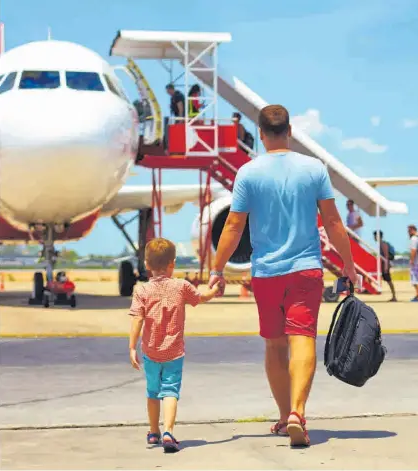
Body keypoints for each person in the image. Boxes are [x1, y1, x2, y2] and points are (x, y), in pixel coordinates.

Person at [207, 104, 357, 447]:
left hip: (266, 273)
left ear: (260, 134)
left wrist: (217, 268)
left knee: (275, 345)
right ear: (290, 131)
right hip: (305, 269)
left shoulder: (248, 172)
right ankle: (298, 413)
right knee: (303, 338)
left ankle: (283, 413)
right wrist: (347, 264)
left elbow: (233, 224)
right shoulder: (313, 169)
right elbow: (333, 223)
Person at [128, 238, 220, 453]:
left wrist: (132, 347)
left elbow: (137, 319)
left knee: (152, 392)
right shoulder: (181, 286)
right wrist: (214, 291)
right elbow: (201, 297)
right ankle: (168, 432)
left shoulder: (141, 291)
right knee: (170, 392)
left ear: (147, 265)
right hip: (174, 352)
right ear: (173, 263)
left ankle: (153, 432)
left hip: (150, 351)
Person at [373, 230, 397, 302]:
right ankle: (393, 296)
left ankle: (394, 296)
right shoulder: (380, 244)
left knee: (389, 281)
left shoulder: (383, 244)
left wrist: (386, 267)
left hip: (385, 266)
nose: (374, 238)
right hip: (384, 266)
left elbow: (386, 256)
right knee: (388, 281)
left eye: (374, 236)